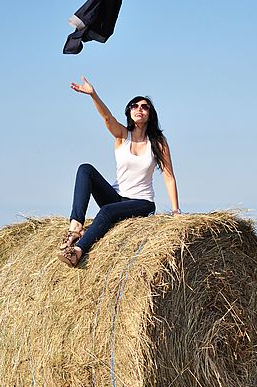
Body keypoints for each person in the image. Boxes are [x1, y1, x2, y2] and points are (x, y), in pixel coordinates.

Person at [57, 76, 181, 267]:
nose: (139, 109)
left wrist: (175, 211)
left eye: (144, 106)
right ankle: (75, 226)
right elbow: (107, 118)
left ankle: (77, 252)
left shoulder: (158, 142)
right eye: (134, 105)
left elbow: (169, 177)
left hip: (141, 202)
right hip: (116, 197)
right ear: (129, 111)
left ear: (150, 114)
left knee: (107, 212)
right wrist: (93, 94)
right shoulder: (123, 136)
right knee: (85, 169)